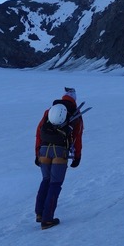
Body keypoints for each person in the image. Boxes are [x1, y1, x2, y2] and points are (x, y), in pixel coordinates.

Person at [35, 87, 83, 230]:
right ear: (74, 99)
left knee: (46, 180)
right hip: (60, 151)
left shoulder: (49, 111)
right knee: (55, 184)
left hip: (44, 150)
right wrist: (77, 156)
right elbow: (77, 137)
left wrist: (37, 152)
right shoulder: (75, 114)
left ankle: (39, 213)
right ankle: (47, 219)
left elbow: (38, 132)